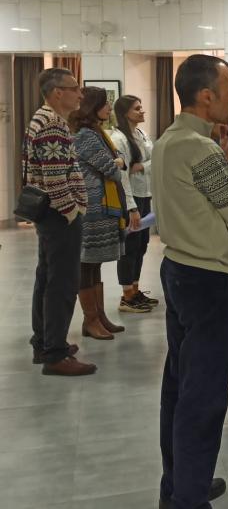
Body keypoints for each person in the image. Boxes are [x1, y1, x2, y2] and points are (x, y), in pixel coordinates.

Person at [151, 54, 228, 509]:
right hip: (208, 279)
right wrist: (227, 162)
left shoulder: (169, 140)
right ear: (206, 95)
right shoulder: (199, 149)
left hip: (178, 269)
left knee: (179, 384)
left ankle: (178, 484)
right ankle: (189, 497)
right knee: (205, 395)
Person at [25, 68, 96, 376]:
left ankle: (44, 342)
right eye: (74, 88)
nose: (80, 94)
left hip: (49, 213)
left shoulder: (42, 118)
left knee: (47, 277)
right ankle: (55, 354)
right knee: (63, 283)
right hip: (59, 214)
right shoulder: (52, 123)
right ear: (57, 93)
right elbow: (54, 177)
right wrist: (72, 210)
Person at [70, 86, 130, 341]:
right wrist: (117, 163)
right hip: (93, 207)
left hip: (102, 206)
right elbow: (113, 169)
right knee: (87, 263)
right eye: (104, 104)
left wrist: (118, 162)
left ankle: (100, 316)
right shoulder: (86, 135)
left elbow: (120, 161)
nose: (108, 108)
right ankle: (90, 319)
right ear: (92, 107)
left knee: (95, 264)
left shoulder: (97, 132)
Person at [110, 95, 157, 313]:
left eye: (141, 107)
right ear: (125, 113)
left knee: (141, 245)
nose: (142, 111)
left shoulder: (141, 133)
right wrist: (131, 207)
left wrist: (143, 166)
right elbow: (123, 175)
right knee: (129, 247)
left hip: (145, 194)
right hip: (132, 199)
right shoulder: (118, 138)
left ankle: (135, 290)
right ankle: (126, 295)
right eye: (137, 108)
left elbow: (154, 159)